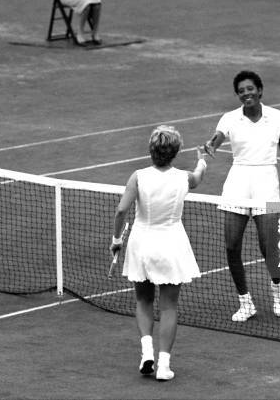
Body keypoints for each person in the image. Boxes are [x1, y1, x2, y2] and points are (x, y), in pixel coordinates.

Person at [111, 126, 207, 381]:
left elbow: (121, 211)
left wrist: (116, 240)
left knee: (143, 301)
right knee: (169, 307)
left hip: (142, 243)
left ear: (151, 150)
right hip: (171, 244)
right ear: (175, 152)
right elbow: (198, 176)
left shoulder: (138, 176)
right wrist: (202, 161)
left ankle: (146, 355)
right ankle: (163, 365)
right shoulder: (185, 178)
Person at [203, 70, 280, 321]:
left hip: (266, 180)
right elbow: (217, 139)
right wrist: (211, 146)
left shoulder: (277, 116)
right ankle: (245, 302)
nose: (246, 94)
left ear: (260, 90)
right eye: (241, 91)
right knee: (231, 246)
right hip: (238, 180)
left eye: (250, 89)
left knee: (267, 245)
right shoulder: (229, 118)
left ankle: (277, 289)